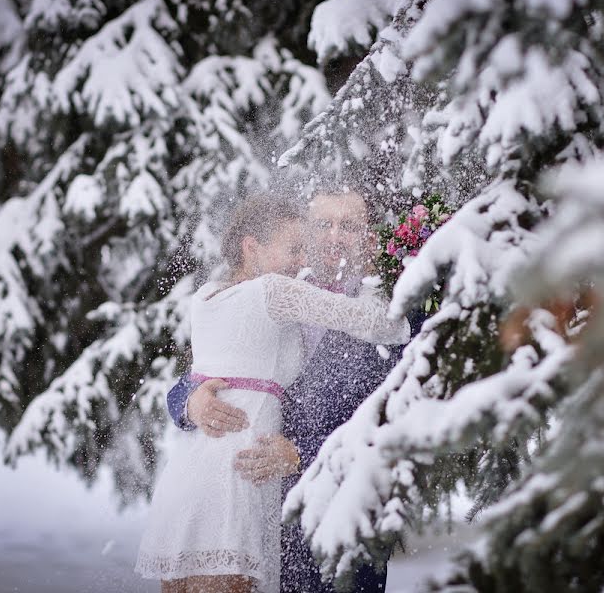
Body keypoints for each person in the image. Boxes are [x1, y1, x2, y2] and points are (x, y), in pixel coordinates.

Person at [136, 195, 410, 593]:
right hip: (239, 480)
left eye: (349, 226)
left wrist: (304, 454)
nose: (309, 253)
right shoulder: (277, 290)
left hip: (322, 520)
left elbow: (396, 426)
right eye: (305, 240)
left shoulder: (210, 295)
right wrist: (191, 400)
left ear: (369, 236)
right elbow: (197, 381)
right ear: (253, 248)